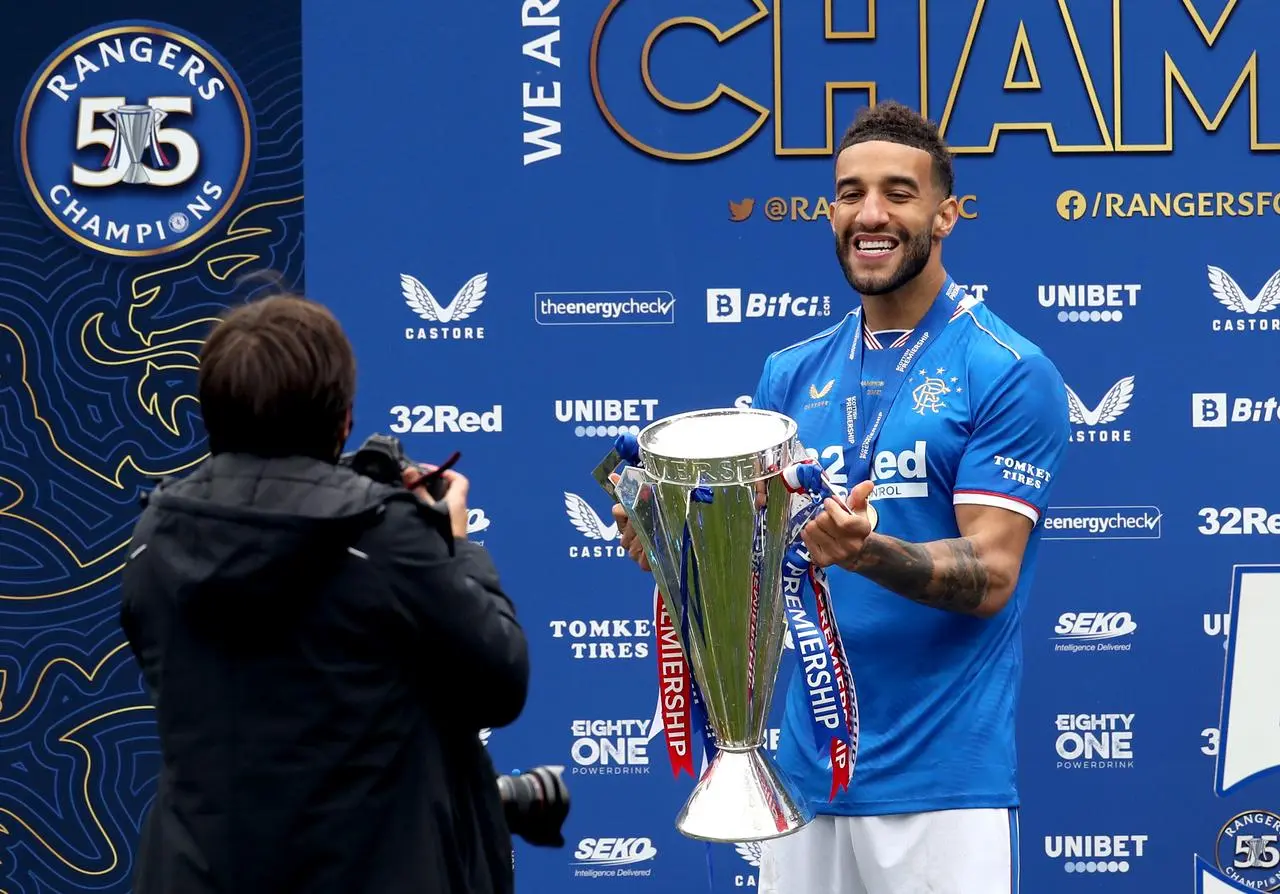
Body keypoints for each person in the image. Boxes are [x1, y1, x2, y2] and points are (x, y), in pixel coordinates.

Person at [616, 101, 1070, 893]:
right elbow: (754, 575)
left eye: (899, 192)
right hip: (803, 774)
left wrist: (866, 552)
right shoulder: (789, 374)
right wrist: (676, 554)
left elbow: (991, 576)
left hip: (941, 786)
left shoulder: (1008, 368)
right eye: (849, 192)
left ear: (946, 214)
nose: (871, 214)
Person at [119, 293, 528, 894]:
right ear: (343, 421)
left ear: (210, 418)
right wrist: (455, 547)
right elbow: (500, 680)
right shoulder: (384, 539)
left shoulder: (154, 538)